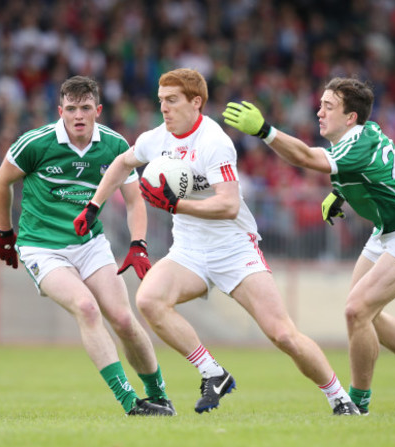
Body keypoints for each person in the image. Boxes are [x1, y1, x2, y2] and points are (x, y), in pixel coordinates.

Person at [73, 68, 359, 416]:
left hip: (234, 250)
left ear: (196, 102)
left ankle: (339, 397)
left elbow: (229, 204)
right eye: (161, 100)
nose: (164, 107)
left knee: (282, 334)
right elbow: (121, 163)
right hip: (189, 250)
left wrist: (177, 205)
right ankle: (213, 373)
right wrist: (93, 205)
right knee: (149, 300)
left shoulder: (214, 141)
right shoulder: (158, 137)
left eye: (172, 100)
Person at [222, 77, 395, 415]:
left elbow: (307, 157)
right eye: (320, 105)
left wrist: (265, 131)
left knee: (357, 311)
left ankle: (356, 404)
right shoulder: (357, 138)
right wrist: (340, 193)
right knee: (363, 313)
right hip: (388, 228)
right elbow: (369, 174)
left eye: (328, 107)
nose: (318, 113)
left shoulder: (357, 141)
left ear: (350, 117)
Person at [0, 75, 175, 417]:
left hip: (90, 243)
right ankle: (130, 403)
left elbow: (135, 201)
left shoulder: (115, 145)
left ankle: (159, 395)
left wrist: (138, 243)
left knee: (122, 318)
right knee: (87, 308)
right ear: (60, 110)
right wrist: (4, 232)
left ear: (98, 110)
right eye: (71, 109)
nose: (78, 115)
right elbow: (2, 180)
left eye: (86, 108)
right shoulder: (35, 143)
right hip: (42, 248)